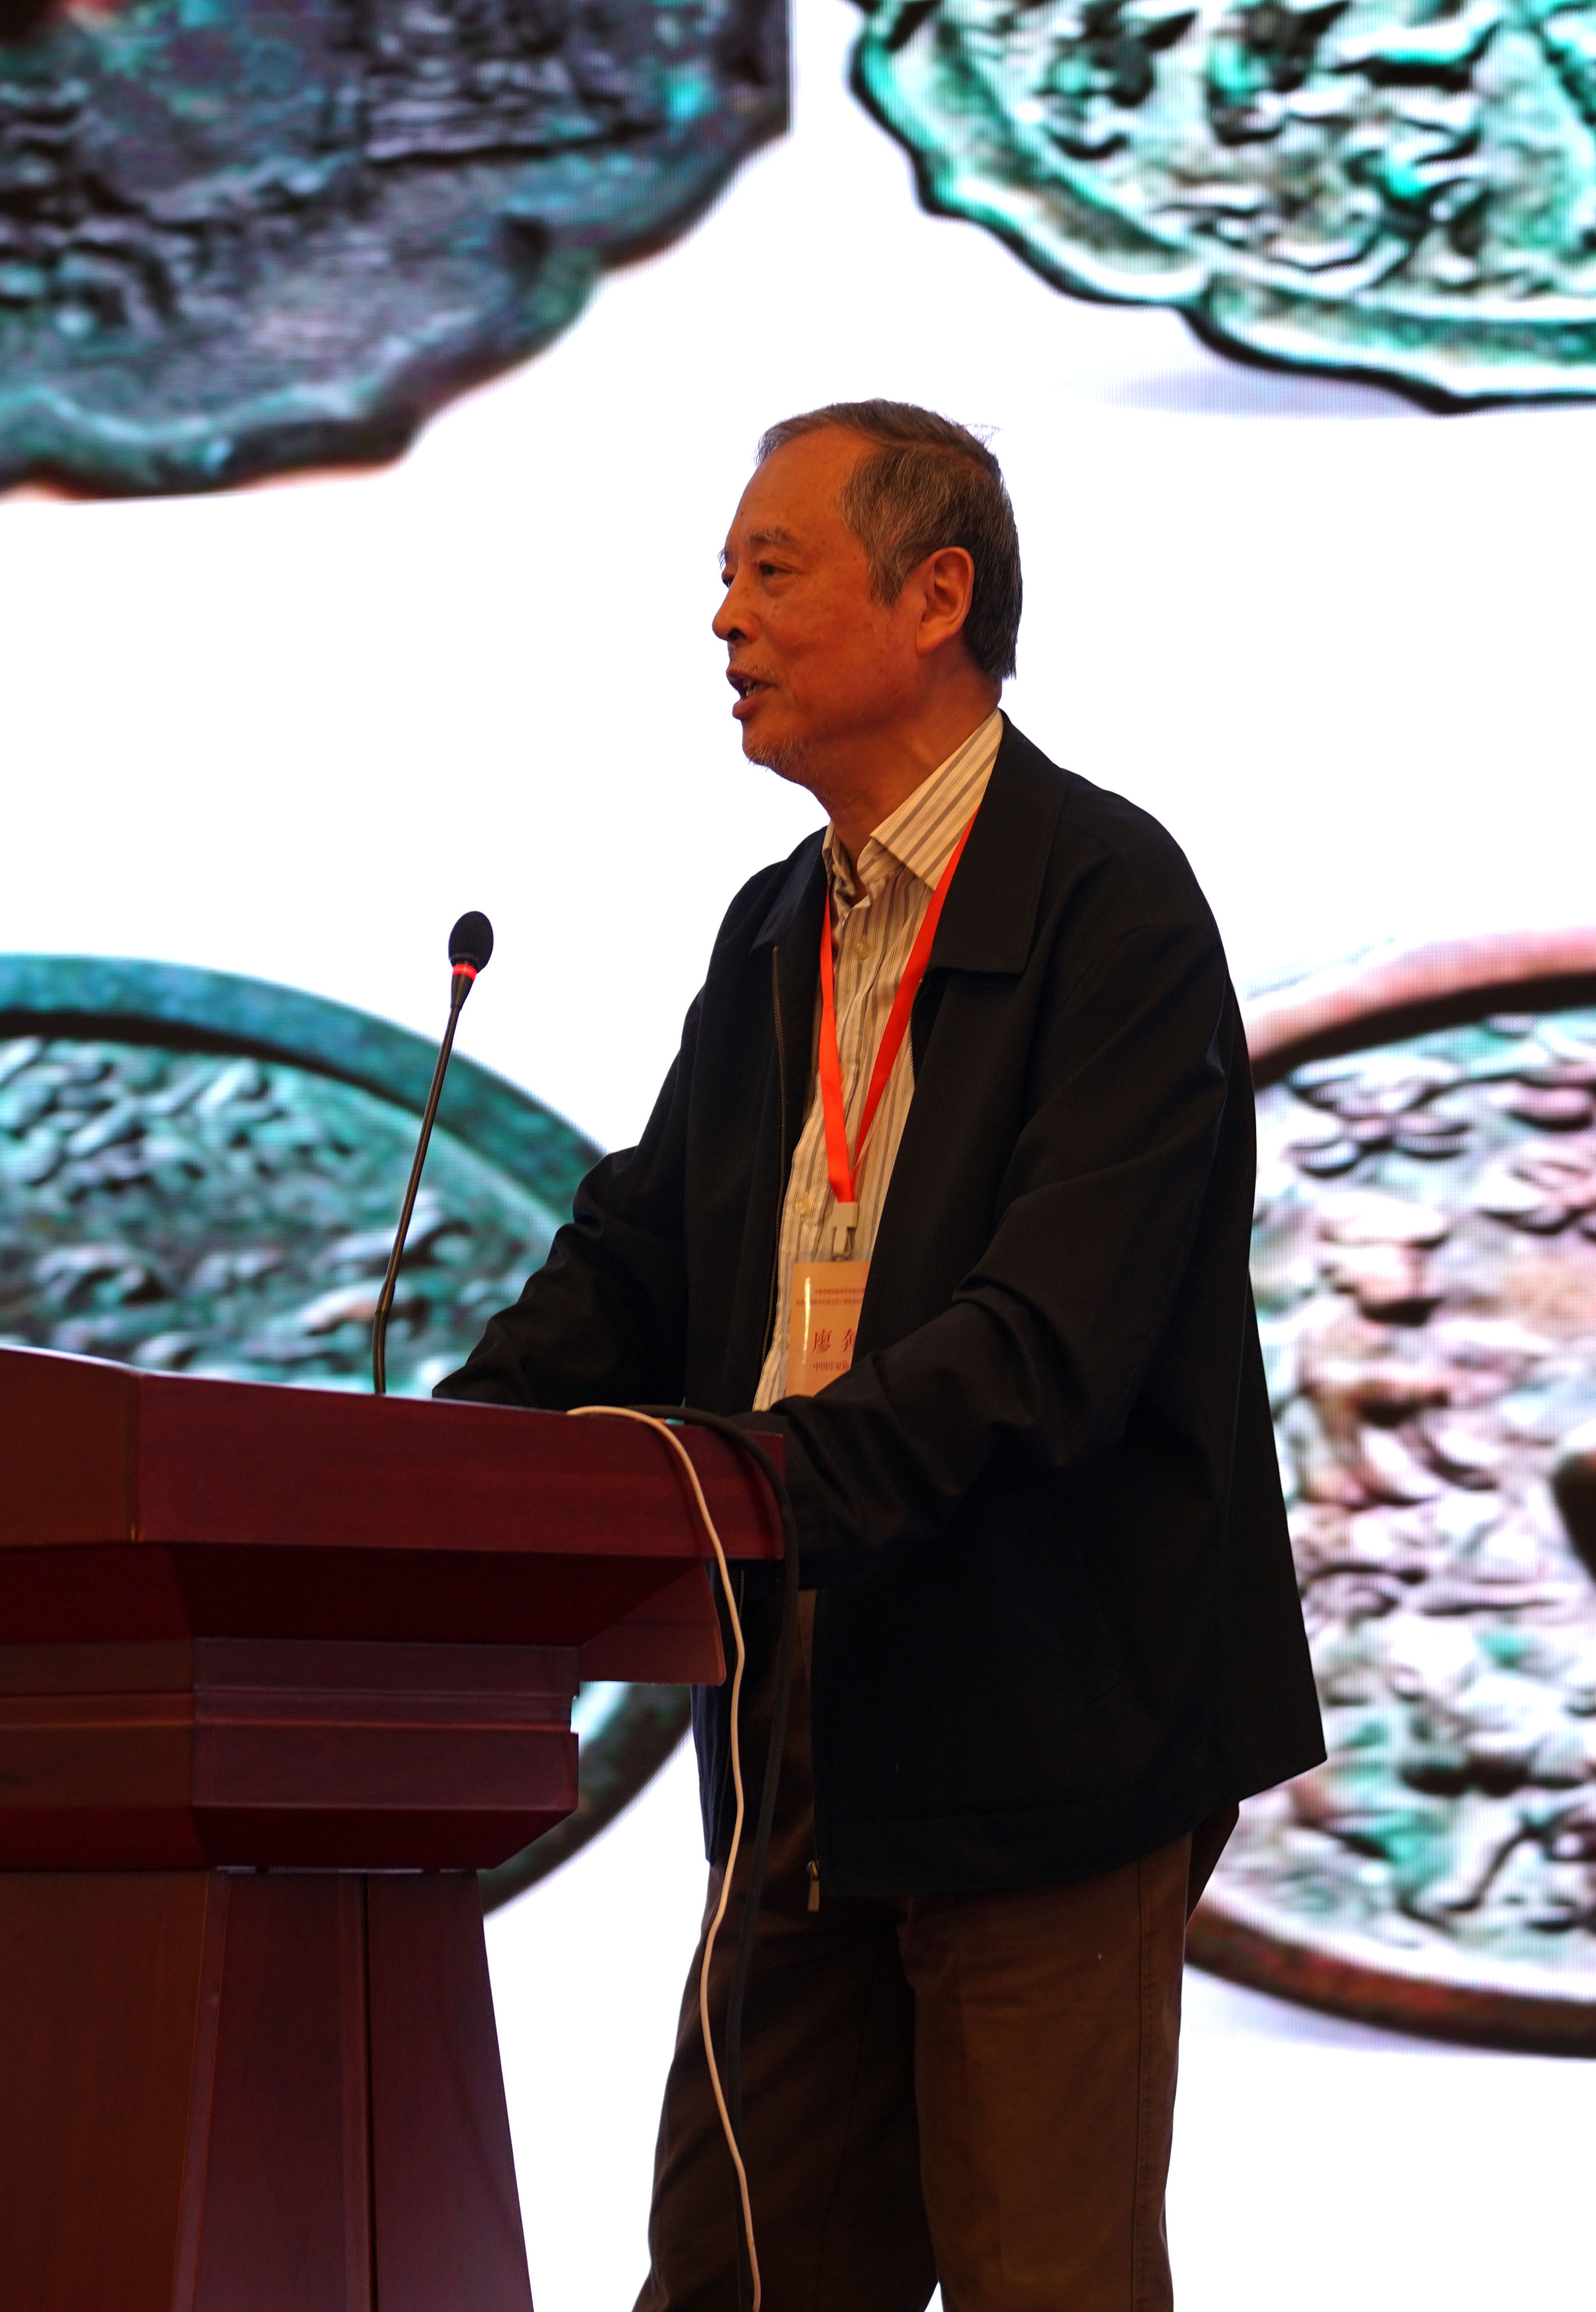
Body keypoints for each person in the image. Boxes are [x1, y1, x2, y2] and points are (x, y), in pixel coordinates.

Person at [437, 401, 1324, 2310]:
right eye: (722, 578)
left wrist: (762, 1484)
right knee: (734, 2282)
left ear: (935, 598)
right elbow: (644, 1254)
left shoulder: (1106, 896)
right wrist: (446, 1463)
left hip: (1043, 1734)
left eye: (770, 571)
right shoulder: (777, 925)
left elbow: (1051, 1336)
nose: (723, 620)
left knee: (1041, 2286)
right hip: (800, 1728)